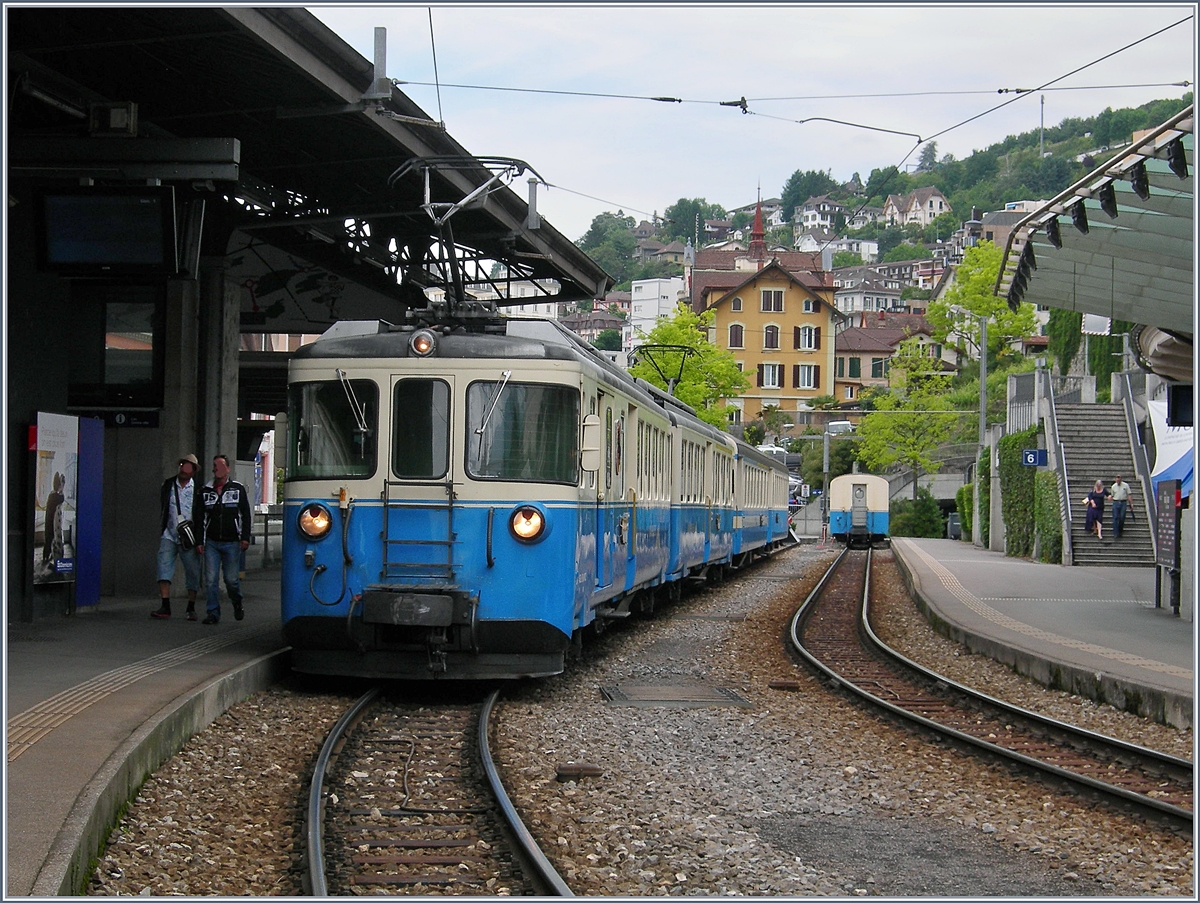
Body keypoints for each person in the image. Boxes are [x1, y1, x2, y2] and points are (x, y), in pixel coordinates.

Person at [195, 454, 252, 624]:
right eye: (214, 466)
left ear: (227, 468)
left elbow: (245, 515)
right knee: (211, 579)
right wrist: (199, 541)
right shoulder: (204, 491)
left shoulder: (237, 489)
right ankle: (213, 613)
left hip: (232, 542)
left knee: (231, 580)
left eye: (220, 466)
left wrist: (245, 537)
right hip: (211, 542)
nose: (216, 469)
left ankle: (237, 601)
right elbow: (199, 518)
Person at [152, 454, 203, 620]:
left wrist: (199, 539)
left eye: (188, 467)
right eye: (183, 465)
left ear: (194, 471)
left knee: (192, 571)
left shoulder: (198, 489)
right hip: (169, 533)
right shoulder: (168, 484)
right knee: (163, 567)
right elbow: (163, 506)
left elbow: (201, 515)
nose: (184, 469)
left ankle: (191, 606)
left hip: (189, 537)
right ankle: (165, 605)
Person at [41, 472, 65, 566]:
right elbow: (62, 498)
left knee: (48, 539)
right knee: (50, 539)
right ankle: (47, 557)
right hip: (51, 523)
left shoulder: (52, 494)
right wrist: (62, 487)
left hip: (49, 521)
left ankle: (46, 556)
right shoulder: (55, 496)